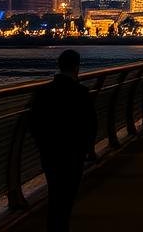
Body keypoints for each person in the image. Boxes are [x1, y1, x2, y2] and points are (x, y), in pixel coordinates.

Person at [30, 49, 97, 232]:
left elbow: (34, 122)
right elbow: (90, 123)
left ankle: (54, 227)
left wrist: (41, 144)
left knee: (54, 192)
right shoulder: (81, 92)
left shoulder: (43, 92)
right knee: (68, 195)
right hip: (74, 152)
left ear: (59, 66)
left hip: (50, 151)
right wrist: (88, 149)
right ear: (76, 67)